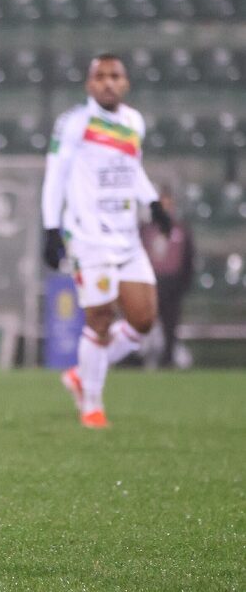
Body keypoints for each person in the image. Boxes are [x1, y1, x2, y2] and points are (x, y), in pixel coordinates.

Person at [41, 53, 172, 429]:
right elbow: (56, 176)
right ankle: (92, 407)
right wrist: (52, 229)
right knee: (99, 320)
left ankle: (83, 373)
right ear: (89, 84)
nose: (108, 83)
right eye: (101, 77)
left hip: (127, 237)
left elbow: (132, 170)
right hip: (87, 237)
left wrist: (152, 204)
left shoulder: (133, 121)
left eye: (115, 76)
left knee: (143, 320)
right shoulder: (74, 123)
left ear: (125, 83)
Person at [140, 189, 194, 368]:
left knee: (170, 325)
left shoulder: (181, 229)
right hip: (150, 285)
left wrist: (182, 284)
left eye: (169, 205)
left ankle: (168, 360)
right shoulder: (146, 230)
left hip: (172, 285)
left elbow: (188, 259)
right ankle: (138, 359)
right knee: (142, 323)